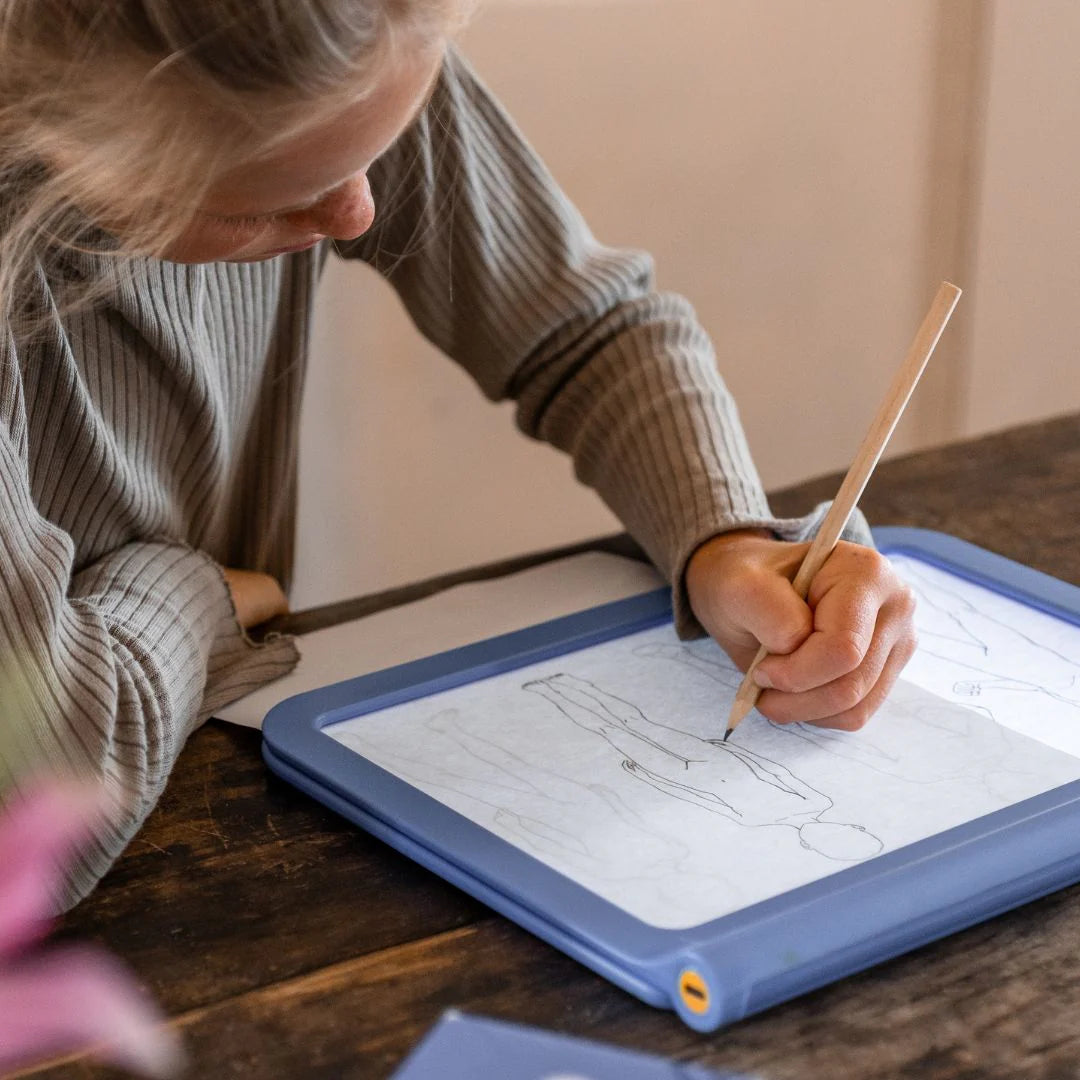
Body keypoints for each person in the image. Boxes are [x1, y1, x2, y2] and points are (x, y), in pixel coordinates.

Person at [0, 0, 916, 902]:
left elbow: (580, 331)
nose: (360, 210)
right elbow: (39, 790)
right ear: (75, 142)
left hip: (215, 758)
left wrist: (728, 540)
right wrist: (201, 596)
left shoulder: (355, 34)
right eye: (265, 205)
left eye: (374, 148)